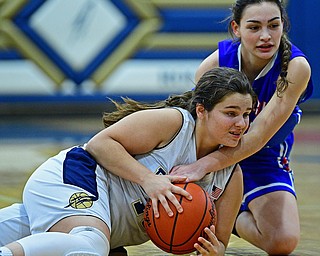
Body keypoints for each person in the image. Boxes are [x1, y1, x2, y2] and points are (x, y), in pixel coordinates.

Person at [0, 67, 256, 256]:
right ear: (202, 110)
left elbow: (220, 242)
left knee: (76, 242)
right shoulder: (174, 124)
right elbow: (100, 144)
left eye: (246, 114)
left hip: (99, 219)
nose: (241, 124)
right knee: (89, 244)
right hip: (79, 175)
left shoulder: (231, 176)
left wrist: (213, 251)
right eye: (230, 113)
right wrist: (149, 180)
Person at [170, 0, 313, 255]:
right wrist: (195, 164)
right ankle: (217, 211)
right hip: (215, 149)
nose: (266, 36)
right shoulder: (213, 66)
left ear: (283, 26)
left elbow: (257, 136)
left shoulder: (295, 68)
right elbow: (195, 126)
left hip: (264, 155)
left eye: (273, 25)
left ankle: (230, 216)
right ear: (236, 28)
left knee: (283, 242)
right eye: (254, 27)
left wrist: (203, 166)